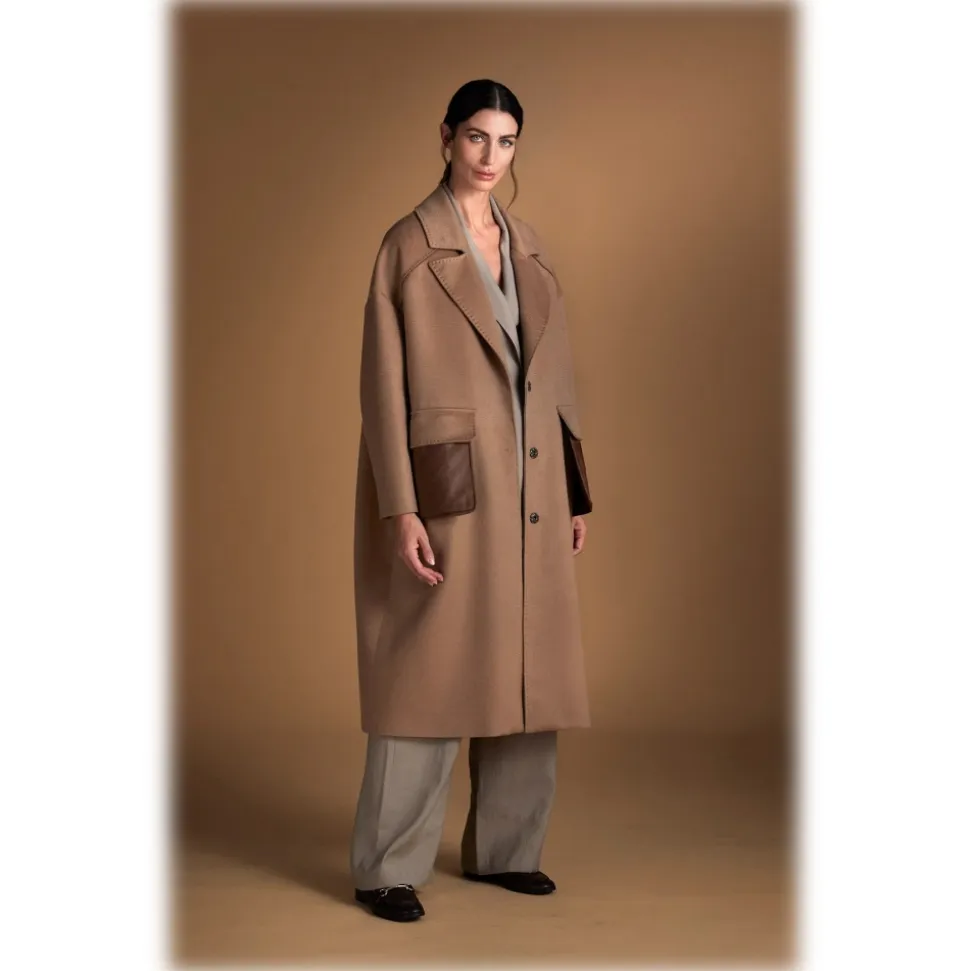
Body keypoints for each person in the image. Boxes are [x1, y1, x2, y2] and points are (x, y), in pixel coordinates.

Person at [350, 78, 594, 922]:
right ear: (448, 137)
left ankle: (506, 850)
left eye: (507, 140)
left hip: (534, 481)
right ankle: (386, 866)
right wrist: (401, 506)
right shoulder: (407, 246)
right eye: (477, 137)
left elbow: (555, 378)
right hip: (451, 488)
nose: (492, 156)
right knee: (426, 666)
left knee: (528, 661)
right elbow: (381, 390)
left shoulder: (530, 246)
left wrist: (576, 490)